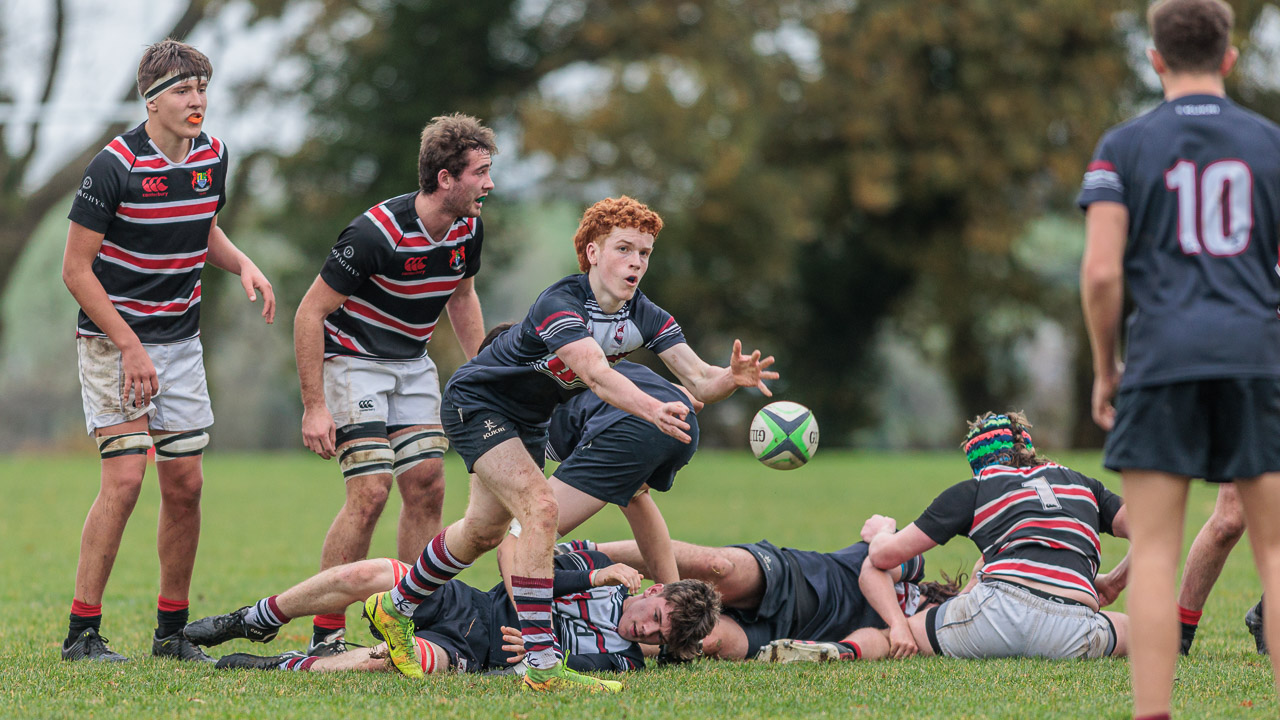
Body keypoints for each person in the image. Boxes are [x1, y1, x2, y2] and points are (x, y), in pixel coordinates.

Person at [363, 196, 777, 691]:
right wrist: (652, 408)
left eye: (644, 253)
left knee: (480, 534)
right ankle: (540, 663)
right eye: (624, 249)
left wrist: (730, 378)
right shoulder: (559, 302)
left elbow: (699, 377)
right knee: (541, 510)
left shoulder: (645, 314)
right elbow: (598, 375)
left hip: (528, 422)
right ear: (593, 251)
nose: (636, 263)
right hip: (478, 403)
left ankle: (396, 604)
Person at [1079, 1, 1280, 715]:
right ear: (1228, 59)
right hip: (1257, 359)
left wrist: (1107, 368)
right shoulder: (1271, 144)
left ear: (1155, 58)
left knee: (1155, 557)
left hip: (1161, 361)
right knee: (1275, 554)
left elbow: (1102, 274)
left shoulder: (1124, 146)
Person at [60, 39, 275, 663]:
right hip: (113, 341)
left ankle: (171, 634)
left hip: (180, 342)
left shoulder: (213, 155)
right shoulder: (114, 166)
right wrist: (128, 346)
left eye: (202, 87)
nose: (198, 100)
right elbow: (76, 271)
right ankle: (82, 633)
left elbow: (202, 225)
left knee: (185, 485)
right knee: (125, 479)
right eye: (183, 90)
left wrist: (241, 264)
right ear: (151, 101)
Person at [292, 114, 491, 653]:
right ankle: (326, 633)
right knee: (370, 491)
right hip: (354, 361)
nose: (489, 184)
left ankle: (408, 618)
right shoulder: (373, 234)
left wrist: (484, 371)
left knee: (428, 482)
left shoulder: (469, 226)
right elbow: (309, 314)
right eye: (480, 173)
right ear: (445, 178)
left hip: (412, 362)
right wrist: (314, 406)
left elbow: (462, 296)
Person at [182, 548, 720, 678]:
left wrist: (537, 654)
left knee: (399, 663)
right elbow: (520, 564)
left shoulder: (625, 661)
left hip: (476, 651)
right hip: (473, 605)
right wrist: (593, 576)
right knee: (365, 575)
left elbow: (555, 673)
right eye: (655, 613)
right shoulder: (600, 566)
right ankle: (254, 619)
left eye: (657, 635)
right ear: (656, 589)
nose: (644, 629)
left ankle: (280, 666)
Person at [857, 413, 1130, 663]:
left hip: (994, 616)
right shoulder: (1083, 485)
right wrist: (1116, 581)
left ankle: (846, 651)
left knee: (890, 635)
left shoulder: (979, 487)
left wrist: (882, 531)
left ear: (977, 463)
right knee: (1130, 627)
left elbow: (882, 557)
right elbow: (1149, 529)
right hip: (1074, 628)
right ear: (1029, 447)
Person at [484, 318, 700, 589]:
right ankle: (674, 601)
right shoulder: (582, 361)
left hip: (629, 428)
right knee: (634, 496)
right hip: (680, 418)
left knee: (520, 543)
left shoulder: (521, 408)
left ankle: (529, 631)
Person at [582, 535, 957, 661]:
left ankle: (591, 634)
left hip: (792, 632)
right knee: (718, 565)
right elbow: (876, 559)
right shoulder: (913, 567)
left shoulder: (918, 634)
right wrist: (895, 619)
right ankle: (581, 553)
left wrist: (843, 650)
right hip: (793, 577)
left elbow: (881, 642)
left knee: (707, 640)